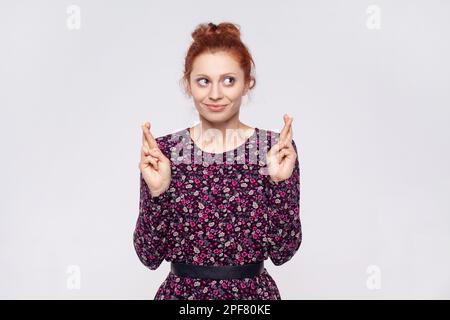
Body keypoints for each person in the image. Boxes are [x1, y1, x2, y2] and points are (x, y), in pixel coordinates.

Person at [133, 22, 302, 300]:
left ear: (247, 82)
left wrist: (280, 184)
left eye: (228, 80)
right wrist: (157, 193)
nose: (215, 94)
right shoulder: (166, 151)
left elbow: (283, 252)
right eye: (204, 81)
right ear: (188, 84)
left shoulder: (271, 149)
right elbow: (149, 257)